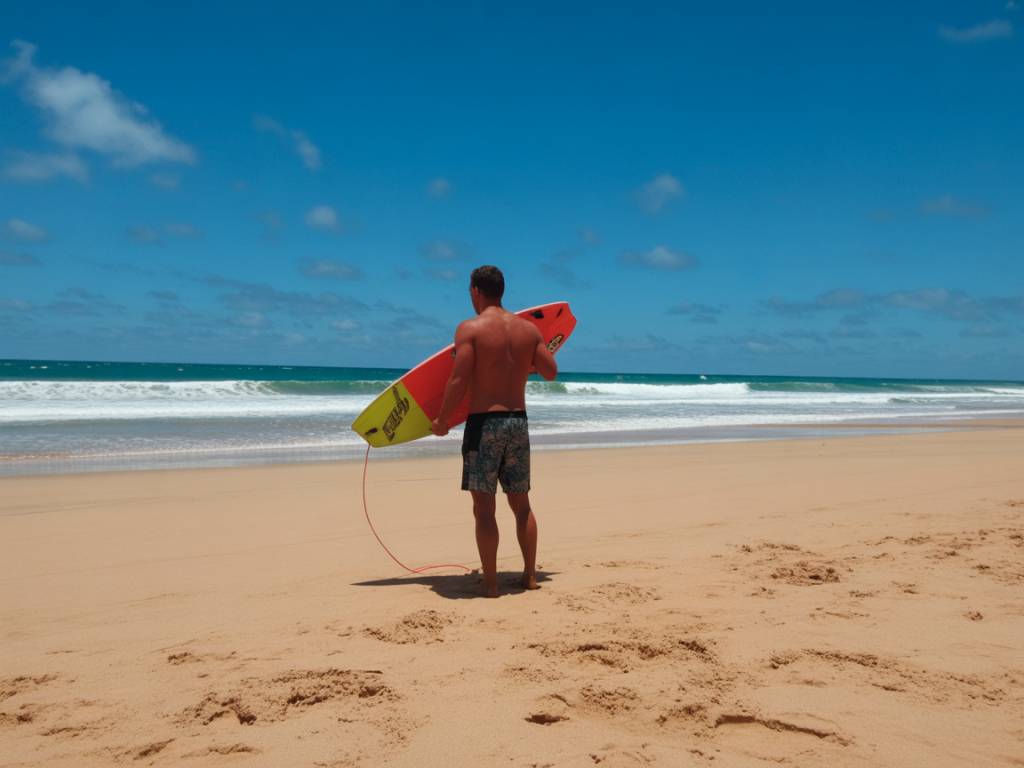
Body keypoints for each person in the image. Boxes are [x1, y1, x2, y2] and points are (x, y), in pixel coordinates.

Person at [430, 265, 558, 598]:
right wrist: (523, 359)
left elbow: (458, 380)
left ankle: (490, 584)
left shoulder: (470, 329)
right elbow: (550, 372)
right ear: (502, 290)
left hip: (484, 425)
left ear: (475, 291)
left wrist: (442, 420)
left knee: (484, 510)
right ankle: (530, 577)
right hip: (517, 423)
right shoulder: (528, 331)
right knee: (522, 507)